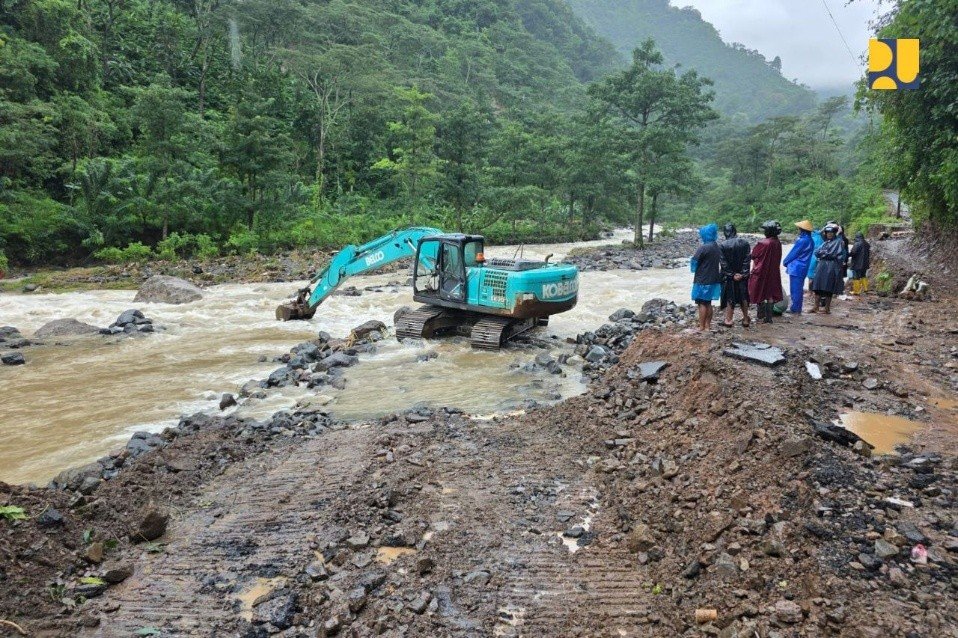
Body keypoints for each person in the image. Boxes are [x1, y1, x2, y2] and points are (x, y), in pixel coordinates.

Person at [748, 220, 783, 324]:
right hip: (773, 272)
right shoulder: (777, 242)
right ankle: (768, 318)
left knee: (759, 292)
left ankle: (760, 315)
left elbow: (753, 255)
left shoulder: (763, 243)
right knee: (770, 294)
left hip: (761, 272)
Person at [690, 223, 722, 331]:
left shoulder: (703, 247)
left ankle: (702, 326)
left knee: (702, 303)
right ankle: (708, 326)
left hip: (703, 279)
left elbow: (694, 262)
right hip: (714, 278)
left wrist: (694, 269)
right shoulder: (716, 246)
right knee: (708, 302)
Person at [719, 223, 751, 327]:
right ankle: (745, 319)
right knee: (743, 296)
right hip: (742, 275)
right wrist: (743, 274)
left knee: (730, 296)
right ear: (735, 231)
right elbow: (747, 260)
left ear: (725, 233)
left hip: (729, 277)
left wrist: (732, 274)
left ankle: (728, 320)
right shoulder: (745, 243)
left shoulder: (723, 245)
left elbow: (723, 263)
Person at [811, 223, 845, 314]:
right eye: (827, 232)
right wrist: (824, 253)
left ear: (834, 233)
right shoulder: (825, 242)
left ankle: (827, 308)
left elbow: (831, 254)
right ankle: (816, 307)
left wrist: (823, 253)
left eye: (831, 232)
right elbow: (816, 252)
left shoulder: (838, 242)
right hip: (822, 265)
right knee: (817, 286)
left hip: (831, 266)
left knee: (828, 287)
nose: (829, 234)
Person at [782, 220, 815, 314]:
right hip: (803, 267)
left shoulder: (802, 240)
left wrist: (785, 261)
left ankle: (795, 308)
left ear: (802, 230)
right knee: (799, 288)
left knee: (795, 289)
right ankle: (797, 307)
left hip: (796, 267)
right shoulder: (810, 240)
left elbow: (794, 253)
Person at [806, 225, 825, 293]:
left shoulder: (811, 238)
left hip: (811, 259)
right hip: (820, 258)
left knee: (810, 276)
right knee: (818, 275)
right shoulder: (822, 239)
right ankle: (816, 291)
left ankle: (810, 292)